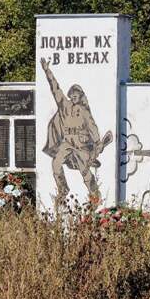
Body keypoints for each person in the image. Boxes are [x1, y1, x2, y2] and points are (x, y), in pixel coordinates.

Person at [40, 58, 112, 203]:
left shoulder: (84, 111)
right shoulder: (64, 105)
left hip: (81, 144)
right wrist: (47, 71)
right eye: (72, 93)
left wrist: (98, 143)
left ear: (80, 95)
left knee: (84, 171)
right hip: (67, 142)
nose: (73, 95)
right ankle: (63, 190)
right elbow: (55, 88)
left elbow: (92, 127)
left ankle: (95, 195)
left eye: (76, 93)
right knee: (56, 164)